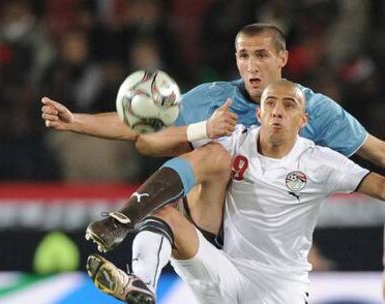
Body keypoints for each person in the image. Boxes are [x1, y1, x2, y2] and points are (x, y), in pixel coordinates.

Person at [41, 23, 385, 298]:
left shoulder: (318, 125)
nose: (252, 65)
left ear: (283, 59)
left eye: (261, 55)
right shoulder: (223, 111)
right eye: (243, 55)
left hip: (281, 273)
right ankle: (136, 268)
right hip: (218, 245)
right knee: (197, 171)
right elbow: (145, 134)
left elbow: (378, 155)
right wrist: (77, 121)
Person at [85, 79, 385, 303]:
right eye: (270, 104)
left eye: (288, 105)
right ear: (259, 114)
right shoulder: (235, 141)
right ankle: (141, 284)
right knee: (165, 214)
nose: (277, 111)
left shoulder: (321, 162)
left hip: (280, 291)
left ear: (303, 120)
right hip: (224, 272)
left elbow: (381, 186)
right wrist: (202, 129)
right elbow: (148, 141)